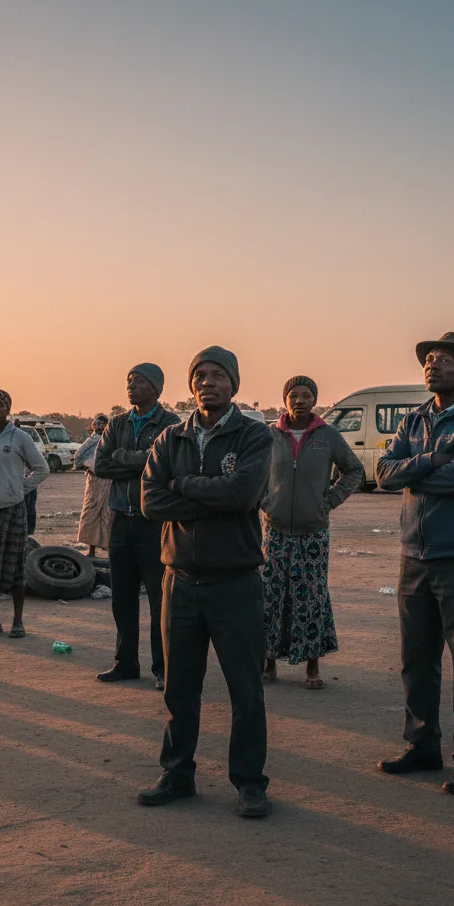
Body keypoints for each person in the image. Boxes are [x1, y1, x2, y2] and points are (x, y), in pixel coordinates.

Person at [138, 346, 274, 818]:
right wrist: (207, 493)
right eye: (201, 375)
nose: (208, 383)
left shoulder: (254, 436)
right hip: (178, 580)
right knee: (179, 688)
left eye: (218, 375)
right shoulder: (169, 438)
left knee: (245, 690)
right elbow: (149, 503)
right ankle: (176, 774)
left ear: (234, 385)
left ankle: (250, 782)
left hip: (236, 581)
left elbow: (242, 494)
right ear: (191, 384)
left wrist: (183, 486)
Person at [375, 332, 454, 796]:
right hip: (414, 557)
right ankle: (422, 745)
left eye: (444, 359)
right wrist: (430, 459)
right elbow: (383, 474)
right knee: (416, 660)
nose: (432, 364)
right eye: (429, 359)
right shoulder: (415, 418)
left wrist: (415, 470)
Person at [260, 375, 363, 688]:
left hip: (313, 533)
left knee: (311, 599)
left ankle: (312, 669)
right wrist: (264, 500)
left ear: (314, 400)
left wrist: (330, 499)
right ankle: (268, 664)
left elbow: (354, 470)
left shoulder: (327, 436)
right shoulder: (269, 435)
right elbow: (252, 472)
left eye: (306, 395)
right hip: (275, 531)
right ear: (285, 399)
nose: (299, 400)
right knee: (271, 596)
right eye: (294, 395)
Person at [93, 364, 179, 688]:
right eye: (129, 380)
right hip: (121, 519)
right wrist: (142, 460)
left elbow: (165, 464)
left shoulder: (169, 423)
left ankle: (163, 668)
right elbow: (101, 464)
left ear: (156, 388)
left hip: (153, 522)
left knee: (160, 600)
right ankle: (126, 662)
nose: (131, 386)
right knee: (122, 598)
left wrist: (126, 458)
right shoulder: (116, 423)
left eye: (139, 381)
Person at [0, 389, 49, 638]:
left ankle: (18, 622)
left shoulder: (20, 438)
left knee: (14, 568)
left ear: (8, 408)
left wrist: (20, 488)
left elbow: (41, 468)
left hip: (12, 510)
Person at [74, 414, 112, 557]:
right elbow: (79, 456)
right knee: (92, 512)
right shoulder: (92, 441)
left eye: (102, 424)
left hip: (108, 480)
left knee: (107, 513)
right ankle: (92, 549)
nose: (100, 427)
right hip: (94, 480)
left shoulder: (111, 440)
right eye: (97, 424)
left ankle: (107, 547)